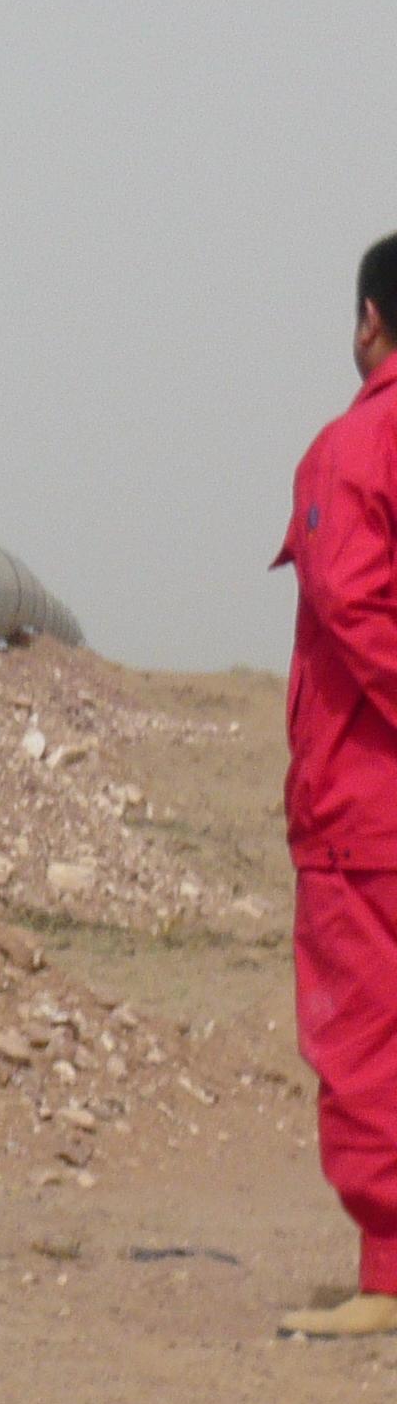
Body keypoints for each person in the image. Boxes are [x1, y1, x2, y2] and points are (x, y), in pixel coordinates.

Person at [274, 233, 397, 1339]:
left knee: (366, 1038)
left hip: (368, 810)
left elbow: (353, 606)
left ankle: (391, 1274)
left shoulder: (354, 448)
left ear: (370, 321)